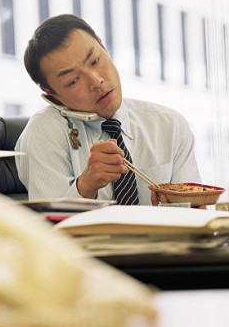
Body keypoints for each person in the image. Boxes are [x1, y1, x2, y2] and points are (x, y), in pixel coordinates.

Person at [15, 13, 201, 205]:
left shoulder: (170, 125)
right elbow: (45, 230)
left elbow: (196, 212)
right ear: (50, 93)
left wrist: (180, 208)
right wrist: (85, 186)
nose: (96, 81)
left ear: (103, 46)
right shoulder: (43, 132)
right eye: (73, 81)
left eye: (95, 61)